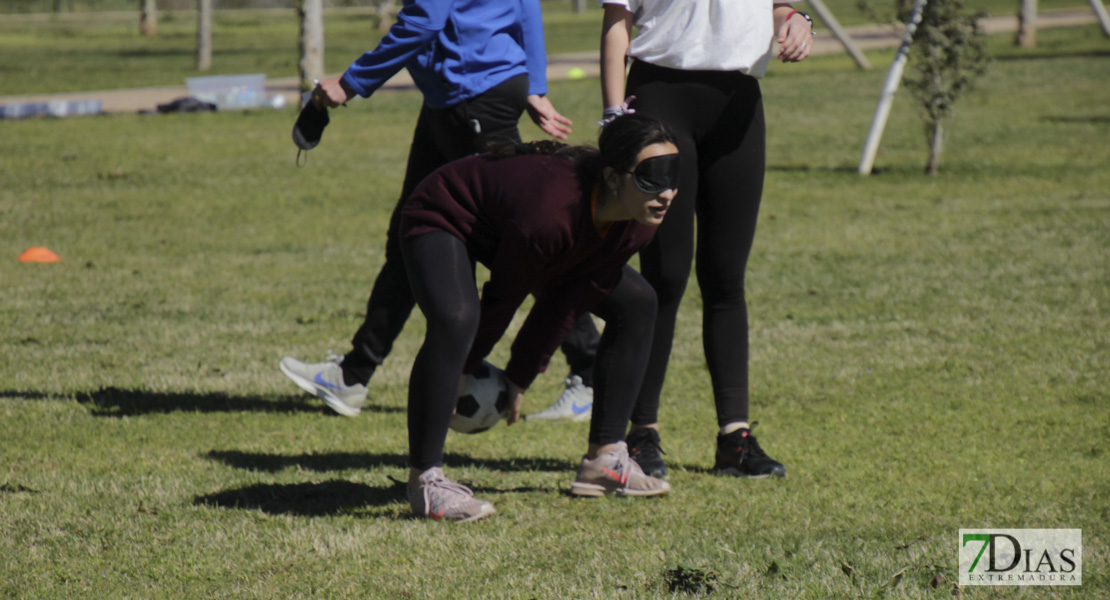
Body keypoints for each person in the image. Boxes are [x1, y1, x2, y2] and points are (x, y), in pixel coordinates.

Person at [280, 0, 602, 420]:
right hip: (454, 97)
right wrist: (532, 84)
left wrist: (352, 81)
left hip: (471, 96)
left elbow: (424, 21)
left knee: (518, 241)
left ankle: (592, 371)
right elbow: (526, 7)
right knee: (411, 232)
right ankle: (354, 374)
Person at [398, 114, 678, 521]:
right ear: (614, 178)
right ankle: (426, 482)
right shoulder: (552, 214)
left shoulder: (637, 225)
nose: (668, 192)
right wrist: (467, 367)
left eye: (674, 175)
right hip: (444, 212)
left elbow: (570, 297)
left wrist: (520, 374)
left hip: (510, 229)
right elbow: (504, 296)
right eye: (652, 178)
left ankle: (605, 458)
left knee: (637, 302)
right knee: (457, 318)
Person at [597, 0, 813, 479]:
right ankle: (641, 433)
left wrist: (797, 20)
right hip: (660, 96)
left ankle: (734, 439)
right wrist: (615, 117)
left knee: (725, 276)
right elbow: (617, 24)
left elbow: (779, 7)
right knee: (665, 275)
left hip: (738, 104)